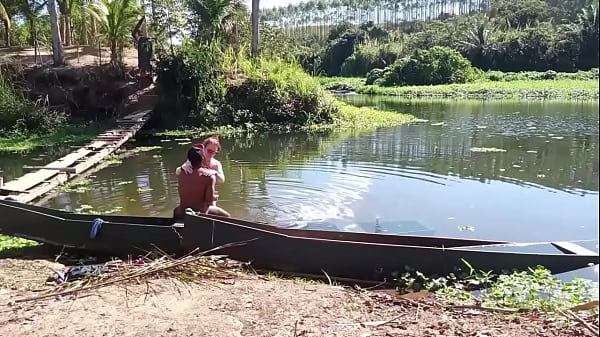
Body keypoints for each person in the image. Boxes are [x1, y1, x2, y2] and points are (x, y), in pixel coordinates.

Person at [173, 146, 230, 219]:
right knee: (227, 216)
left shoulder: (182, 172)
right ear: (202, 159)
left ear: (189, 159)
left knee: (176, 210)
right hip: (200, 214)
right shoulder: (209, 176)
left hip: (183, 211)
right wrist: (214, 197)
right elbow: (209, 201)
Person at [181, 137, 225, 205]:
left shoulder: (216, 164)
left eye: (214, 152)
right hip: (195, 195)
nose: (211, 155)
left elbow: (222, 180)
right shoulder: (195, 159)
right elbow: (178, 172)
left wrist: (214, 173)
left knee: (213, 207)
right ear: (203, 148)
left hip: (210, 196)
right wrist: (183, 167)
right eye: (209, 151)